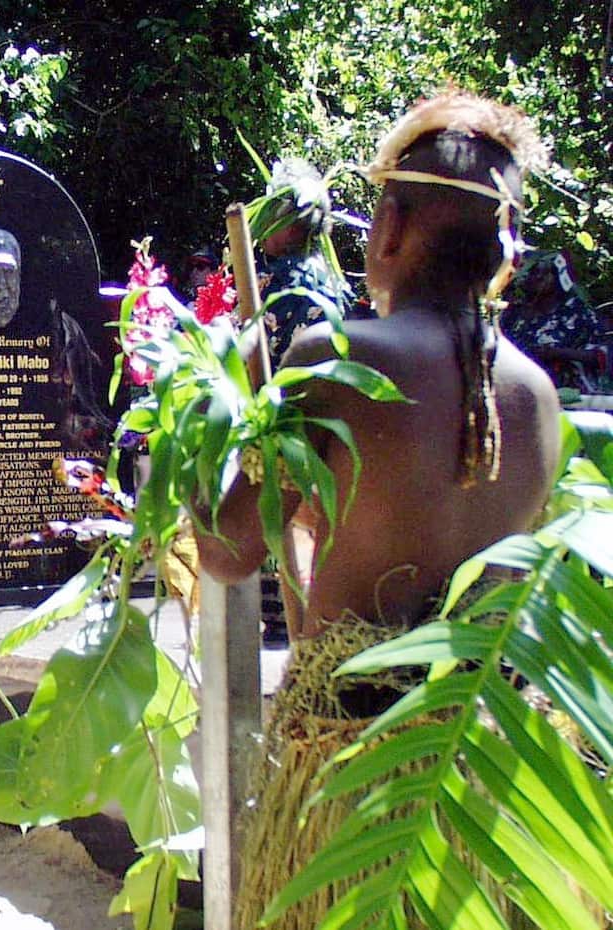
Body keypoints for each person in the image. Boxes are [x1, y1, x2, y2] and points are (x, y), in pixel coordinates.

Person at [196, 92, 560, 929]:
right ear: (501, 259)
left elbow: (226, 551)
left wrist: (218, 417)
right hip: (467, 787)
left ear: (391, 226)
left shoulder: (337, 359)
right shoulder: (535, 396)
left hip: (342, 786)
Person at [256, 158, 354, 366]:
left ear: (292, 228)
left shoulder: (279, 280)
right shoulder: (338, 286)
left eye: (269, 215)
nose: (261, 224)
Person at [501, 249, 607, 391]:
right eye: (528, 273)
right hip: (518, 391)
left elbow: (599, 356)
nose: (530, 278)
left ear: (556, 278)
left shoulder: (577, 313)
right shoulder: (513, 313)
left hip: (569, 394)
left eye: (538, 273)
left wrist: (557, 353)